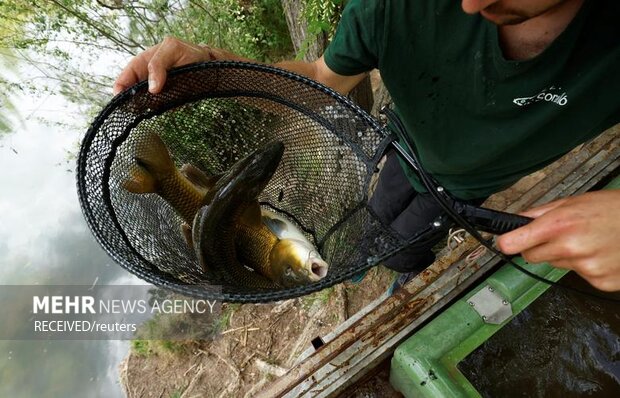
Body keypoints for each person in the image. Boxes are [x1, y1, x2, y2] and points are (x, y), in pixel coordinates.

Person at [113, 0, 620, 292]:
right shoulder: (387, 4)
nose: (469, 5)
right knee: (376, 216)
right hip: (402, 147)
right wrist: (216, 67)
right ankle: (374, 260)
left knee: (406, 250)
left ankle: (403, 276)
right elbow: (319, 80)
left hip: (465, 189)